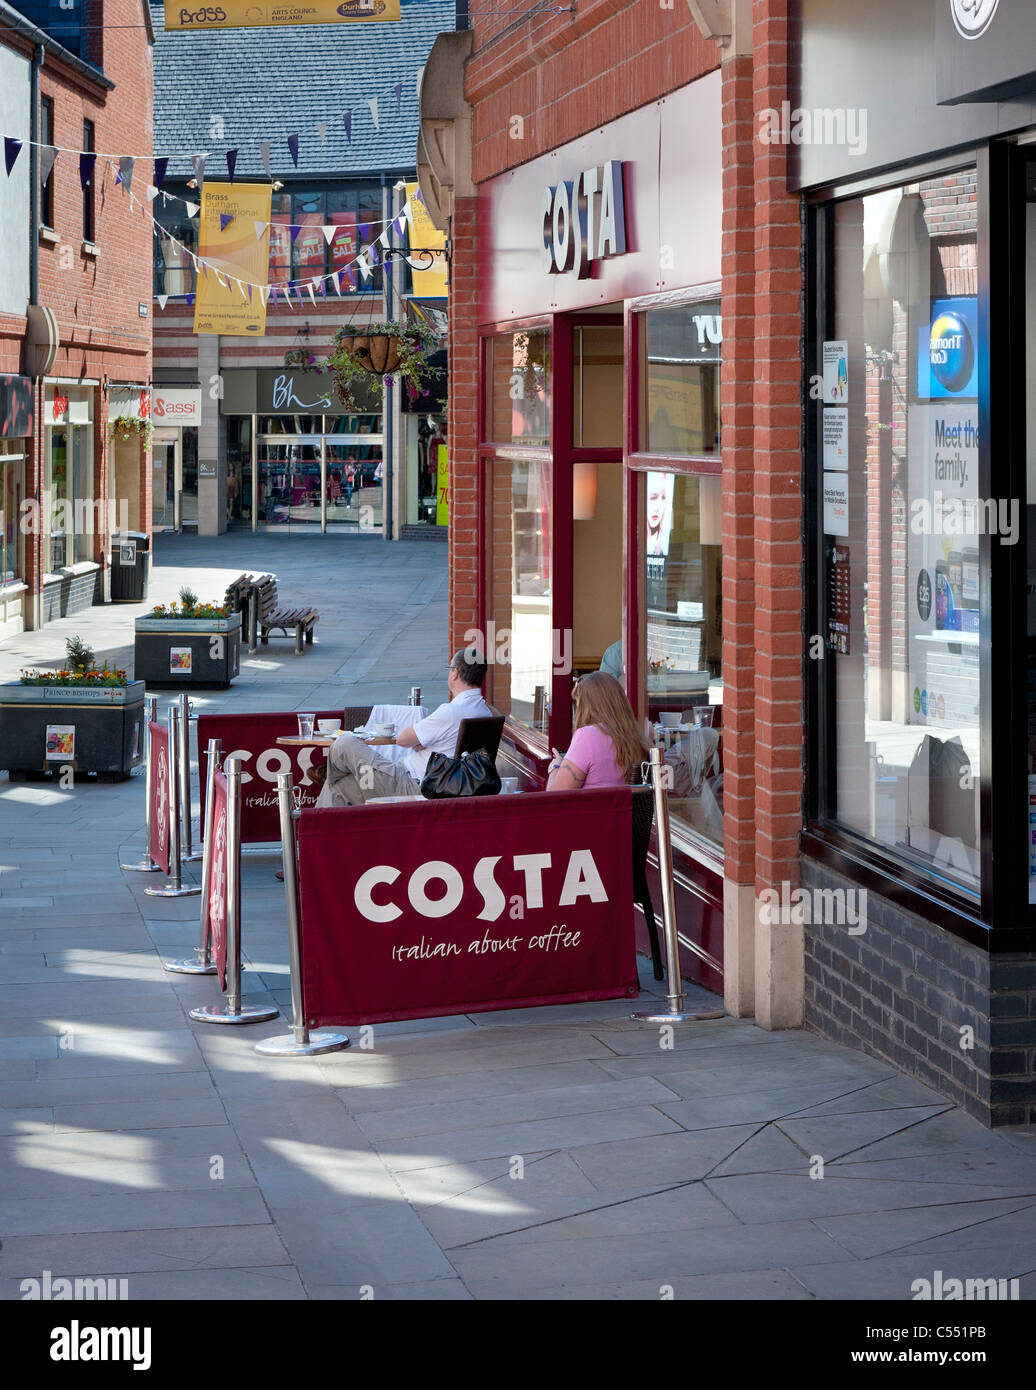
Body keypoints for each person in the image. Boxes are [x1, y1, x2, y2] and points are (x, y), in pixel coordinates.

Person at [314, 649, 492, 807]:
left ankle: (329, 773)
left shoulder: (451, 711)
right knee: (338, 787)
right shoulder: (485, 712)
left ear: (455, 673)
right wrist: (422, 740)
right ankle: (318, 837)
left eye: (449, 669)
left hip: (410, 784)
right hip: (425, 782)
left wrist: (419, 740)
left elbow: (403, 739)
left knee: (345, 742)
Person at [546, 671, 649, 792]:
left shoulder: (587, 736)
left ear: (586, 706)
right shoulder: (635, 734)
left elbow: (556, 796)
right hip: (626, 810)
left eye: (577, 703)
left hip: (594, 810)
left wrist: (556, 766)